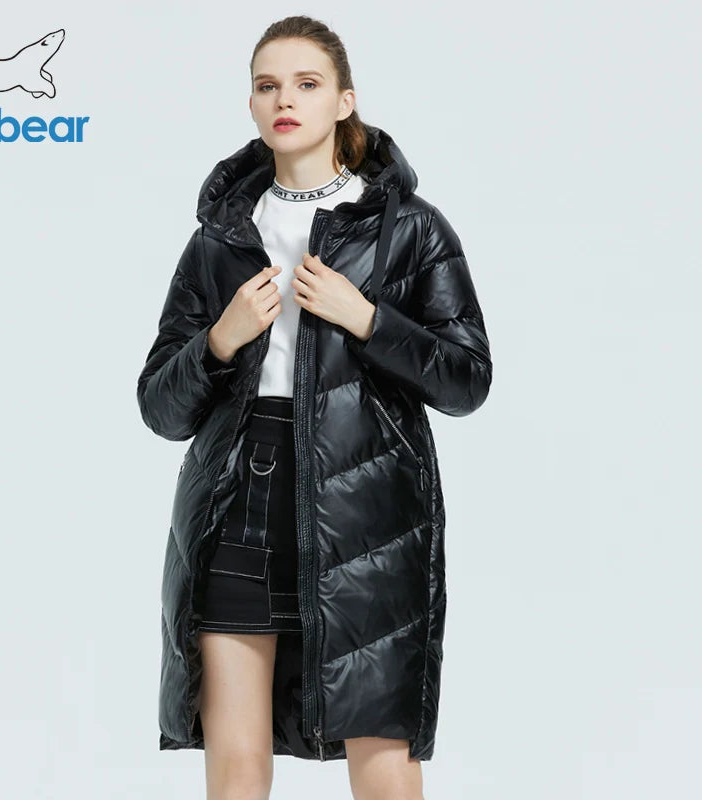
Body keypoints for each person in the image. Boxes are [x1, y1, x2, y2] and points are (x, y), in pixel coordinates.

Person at [136, 14, 493, 800]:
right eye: (267, 86)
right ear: (251, 105)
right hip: (238, 499)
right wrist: (220, 340)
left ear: (344, 100)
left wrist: (368, 320)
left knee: (384, 763)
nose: (285, 100)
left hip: (368, 507)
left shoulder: (410, 229)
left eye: (306, 83)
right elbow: (160, 407)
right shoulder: (219, 239)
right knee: (235, 765)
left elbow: (467, 380)